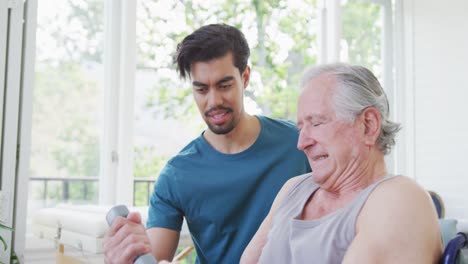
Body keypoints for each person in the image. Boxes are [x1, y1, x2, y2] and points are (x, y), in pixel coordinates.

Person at [103, 24, 310, 264]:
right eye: (201, 89)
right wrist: (122, 257)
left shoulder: (298, 143)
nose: (214, 101)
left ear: (245, 77)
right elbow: (155, 258)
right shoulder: (176, 175)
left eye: (224, 86)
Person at [241, 63, 443, 263]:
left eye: (317, 123)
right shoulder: (293, 189)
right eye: (300, 128)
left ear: (368, 125)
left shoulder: (400, 199)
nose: (301, 143)